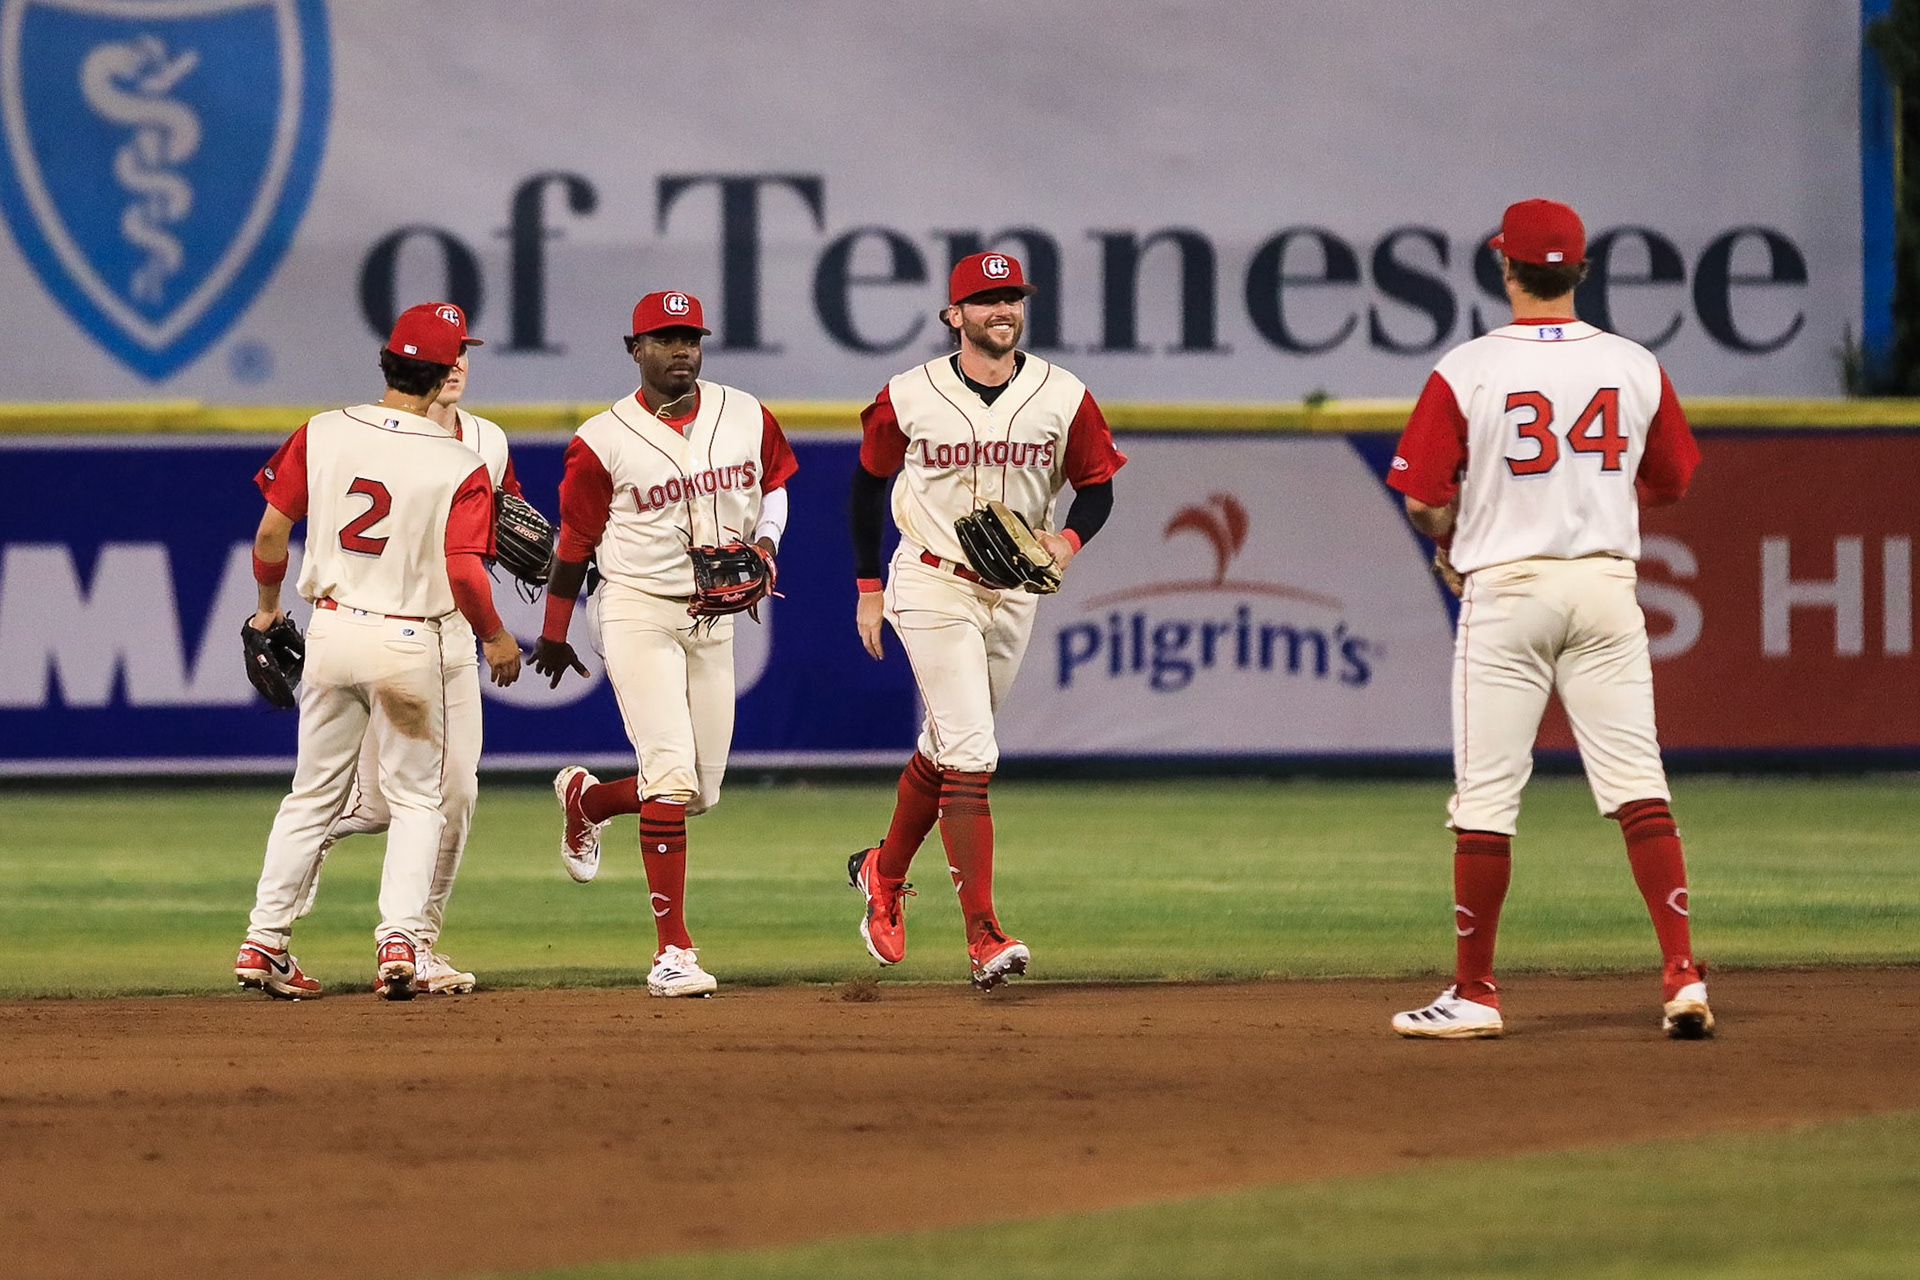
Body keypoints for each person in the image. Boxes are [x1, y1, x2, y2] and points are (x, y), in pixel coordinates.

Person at [1384, 198, 1710, 1040]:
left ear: (1506, 268)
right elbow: (1671, 480)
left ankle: (1475, 993)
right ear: (1583, 271)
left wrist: (1449, 535)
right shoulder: (1636, 364)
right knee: (1640, 787)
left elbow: (1423, 497)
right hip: (1605, 587)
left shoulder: (1469, 367)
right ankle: (1682, 975)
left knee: (1487, 799)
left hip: (1508, 591)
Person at [846, 251, 1126, 989]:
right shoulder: (910, 395)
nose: (1002, 310)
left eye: (1012, 298)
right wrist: (869, 586)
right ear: (954, 316)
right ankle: (982, 936)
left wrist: (1065, 541)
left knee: (946, 747)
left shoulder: (1063, 395)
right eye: (986, 299)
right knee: (973, 750)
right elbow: (869, 487)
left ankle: (883, 870)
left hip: (1015, 592)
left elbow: (1096, 489)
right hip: (933, 581)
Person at [235, 303, 522, 1001]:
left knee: (311, 795)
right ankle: (401, 940)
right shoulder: (458, 459)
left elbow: (272, 535)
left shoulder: (324, 431)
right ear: (439, 372)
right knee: (420, 800)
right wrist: (497, 635)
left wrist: (270, 609)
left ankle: (263, 942)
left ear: (390, 363)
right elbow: (462, 572)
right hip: (408, 637)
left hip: (331, 630)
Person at [531, 290, 797, 998]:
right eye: (664, 337)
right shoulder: (602, 439)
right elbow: (575, 542)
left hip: (716, 615)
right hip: (637, 609)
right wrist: (554, 632)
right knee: (671, 777)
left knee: (699, 791)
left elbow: (777, 485)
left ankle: (587, 803)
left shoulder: (745, 412)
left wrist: (767, 543)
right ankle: (672, 951)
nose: (681, 348)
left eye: (691, 336)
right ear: (635, 349)